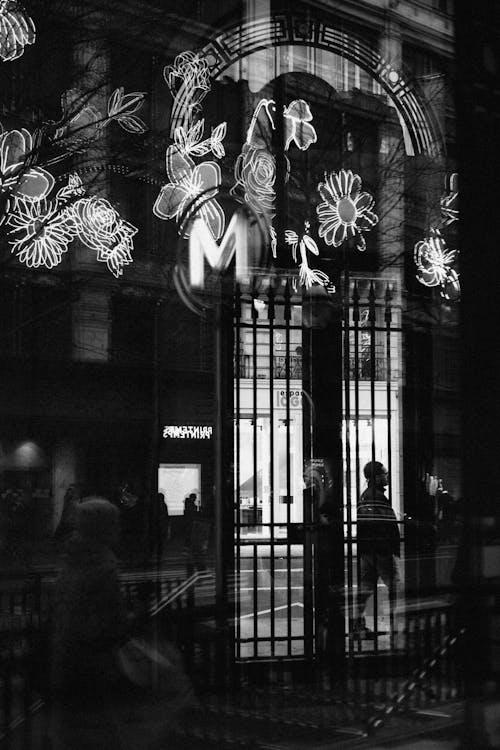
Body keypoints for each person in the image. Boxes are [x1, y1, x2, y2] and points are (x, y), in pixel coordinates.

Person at [50, 497, 133, 749]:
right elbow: (110, 619)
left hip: (65, 655)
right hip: (95, 659)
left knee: (73, 729)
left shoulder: (71, 558)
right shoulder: (103, 565)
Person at [354, 461, 400, 638]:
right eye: (384, 473)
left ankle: (358, 625)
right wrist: (393, 547)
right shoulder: (378, 497)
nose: (386, 476)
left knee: (365, 589)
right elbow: (386, 525)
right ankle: (394, 625)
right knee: (394, 586)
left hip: (367, 550)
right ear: (375, 477)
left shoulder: (364, 496)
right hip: (381, 550)